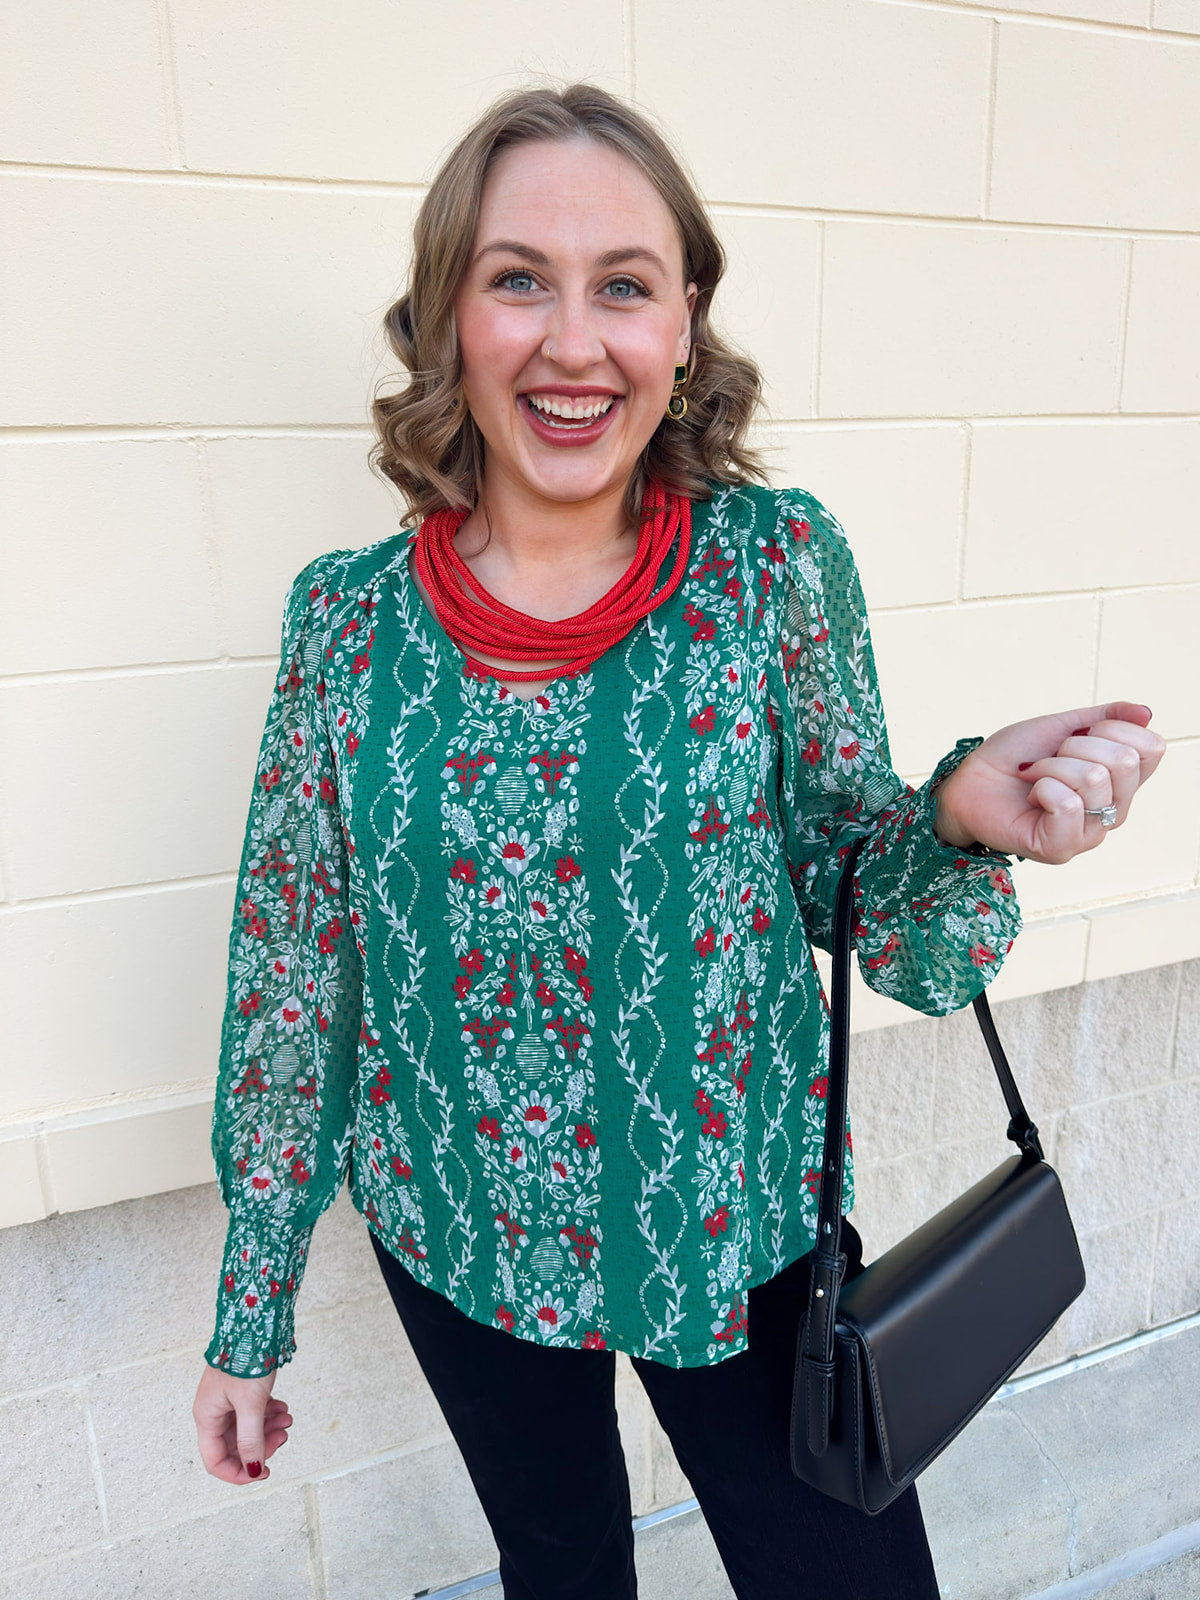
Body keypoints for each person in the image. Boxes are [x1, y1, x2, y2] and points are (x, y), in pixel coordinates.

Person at [192, 82, 1165, 1600]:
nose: (573, 342)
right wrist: (250, 1312)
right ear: (450, 314)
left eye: (624, 287)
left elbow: (874, 907)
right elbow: (292, 968)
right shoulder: (346, 623)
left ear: (686, 322)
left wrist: (964, 821)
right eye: (518, 278)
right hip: (462, 1226)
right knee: (561, 1568)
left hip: (734, 1229)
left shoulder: (773, 570)